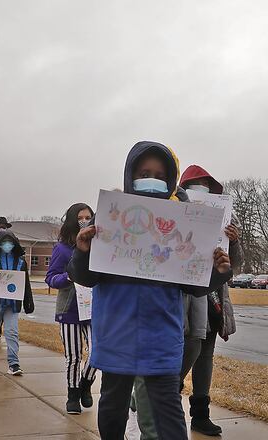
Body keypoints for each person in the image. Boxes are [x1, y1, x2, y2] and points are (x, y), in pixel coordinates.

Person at [68, 141, 233, 440]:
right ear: (130, 174)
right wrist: (81, 251)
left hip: (161, 332)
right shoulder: (108, 216)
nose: (151, 178)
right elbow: (84, 277)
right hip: (117, 330)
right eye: (144, 172)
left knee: (168, 409)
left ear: (170, 179)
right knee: (113, 405)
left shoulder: (180, 221)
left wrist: (220, 273)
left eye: (159, 174)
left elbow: (193, 287)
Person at [177, 165, 242, 436]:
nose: (201, 189)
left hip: (213, 297)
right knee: (185, 352)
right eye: (196, 185)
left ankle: (200, 414)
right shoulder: (175, 213)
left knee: (206, 356)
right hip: (185, 298)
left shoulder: (226, 220)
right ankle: (165, 393)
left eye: (206, 185)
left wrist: (234, 243)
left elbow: (234, 265)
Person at [46, 202, 98, 415]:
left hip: (94, 309)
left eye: (88, 217)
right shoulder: (62, 248)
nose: (84, 221)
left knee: (98, 351)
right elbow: (51, 277)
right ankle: (72, 393)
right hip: (70, 309)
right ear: (72, 221)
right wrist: (68, 276)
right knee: (74, 356)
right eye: (80, 218)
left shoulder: (98, 245)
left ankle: (86, 383)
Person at [0, 231, 34, 376]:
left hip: (12, 304)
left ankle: (14, 363)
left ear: (15, 244)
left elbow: (25, 283)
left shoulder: (21, 262)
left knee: (12, 332)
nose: (7, 245)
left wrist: (29, 302)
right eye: (4, 242)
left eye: (10, 242)